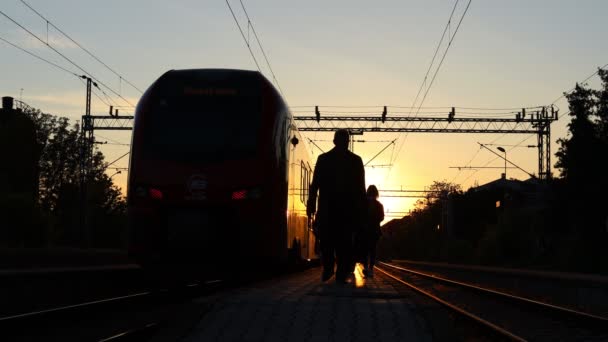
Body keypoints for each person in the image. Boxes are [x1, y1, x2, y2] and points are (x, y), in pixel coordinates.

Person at [307, 129, 366, 284]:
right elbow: (361, 189)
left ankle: (329, 267)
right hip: (348, 211)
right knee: (344, 243)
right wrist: (362, 211)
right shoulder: (356, 161)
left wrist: (311, 205)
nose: (343, 144)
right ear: (348, 142)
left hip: (327, 209)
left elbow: (315, 186)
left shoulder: (323, 159)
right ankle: (339, 271)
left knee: (327, 240)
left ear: (334, 141)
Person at [360, 185, 384, 277]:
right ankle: (370, 269)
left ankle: (366, 267)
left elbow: (360, 216)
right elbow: (381, 217)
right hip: (375, 231)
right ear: (376, 193)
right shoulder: (379, 205)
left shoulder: (363, 204)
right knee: (372, 250)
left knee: (364, 250)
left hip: (364, 230)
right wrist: (374, 221)